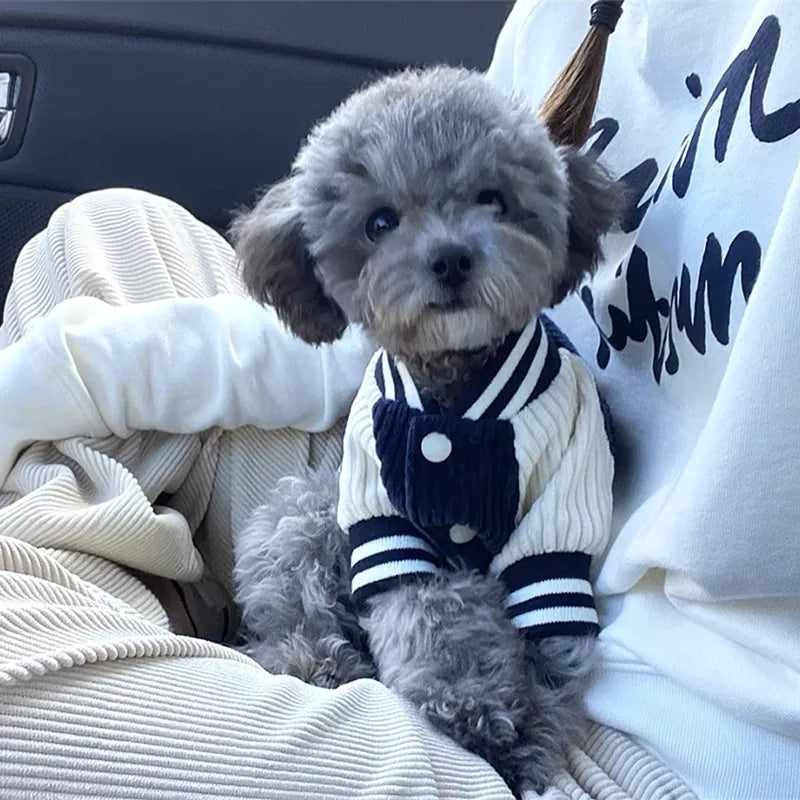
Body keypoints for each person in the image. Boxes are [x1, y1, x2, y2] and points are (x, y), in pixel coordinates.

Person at [0, 2, 797, 798]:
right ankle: (149, 625)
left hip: (612, 726)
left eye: (491, 205)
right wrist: (76, 373)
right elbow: (377, 334)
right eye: (386, 221)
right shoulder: (563, 18)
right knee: (105, 230)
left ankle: (134, 606)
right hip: (406, 505)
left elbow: (554, 569)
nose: (449, 245)